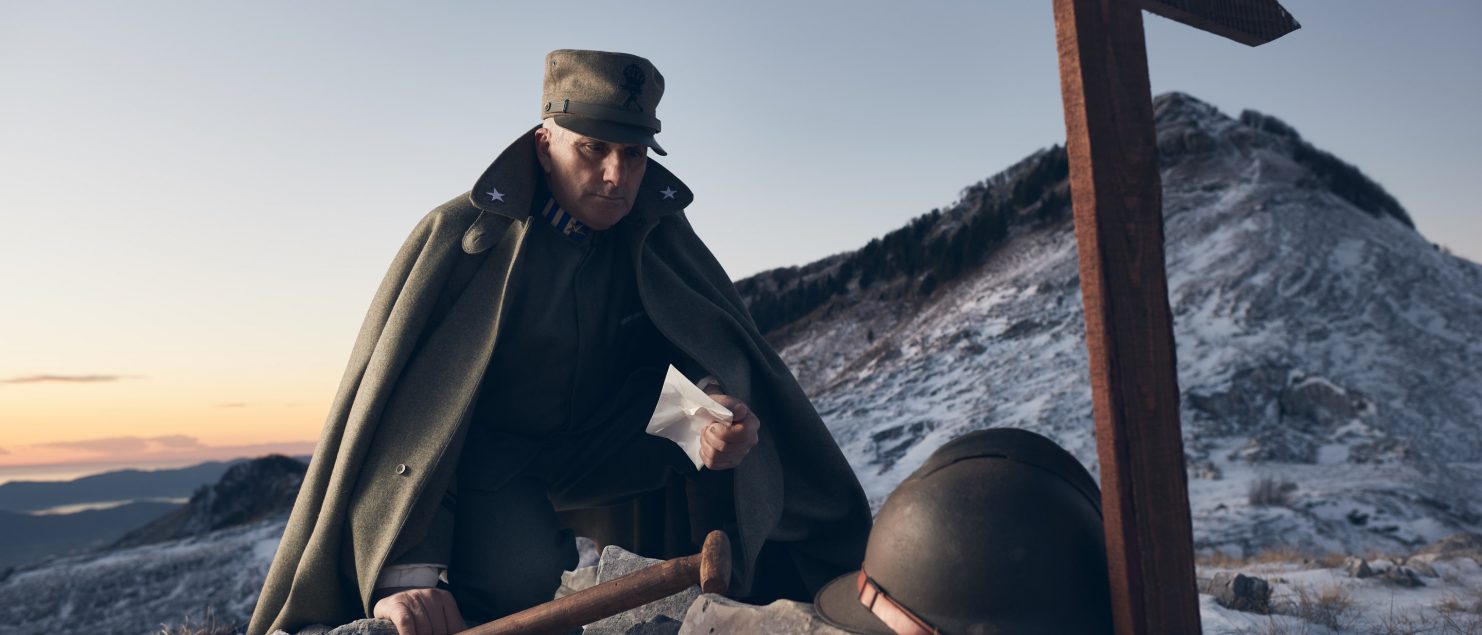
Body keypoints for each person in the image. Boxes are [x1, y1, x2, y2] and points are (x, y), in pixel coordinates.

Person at [247, 49, 872, 635]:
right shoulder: (462, 241)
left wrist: (709, 412)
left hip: (607, 446)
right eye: (593, 149)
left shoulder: (659, 236)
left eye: (632, 154)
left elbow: (688, 348)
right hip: (486, 462)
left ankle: (727, 602)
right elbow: (412, 421)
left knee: (724, 458)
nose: (615, 175)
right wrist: (409, 573)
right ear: (545, 145)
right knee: (514, 587)